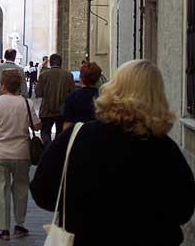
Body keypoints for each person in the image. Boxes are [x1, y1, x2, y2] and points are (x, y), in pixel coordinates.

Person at [30, 60, 195, 246]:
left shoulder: (76, 137)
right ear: (157, 97)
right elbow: (184, 209)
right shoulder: (165, 149)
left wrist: (78, 206)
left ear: (113, 89)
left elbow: (42, 191)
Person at [0, 69, 42, 242]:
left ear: (2, 84)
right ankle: (20, 225)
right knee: (21, 188)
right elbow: (36, 126)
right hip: (22, 153)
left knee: (0, 190)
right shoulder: (26, 103)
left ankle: (4, 229)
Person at [35, 53, 74, 146]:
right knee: (60, 133)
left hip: (46, 110)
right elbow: (72, 93)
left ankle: (48, 148)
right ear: (61, 63)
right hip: (62, 110)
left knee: (45, 132)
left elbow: (38, 92)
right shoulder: (68, 75)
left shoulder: (44, 75)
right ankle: (57, 150)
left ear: (50, 63)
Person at [62, 61, 102, 130]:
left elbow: (67, 123)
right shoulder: (102, 96)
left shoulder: (72, 96)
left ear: (81, 78)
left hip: (78, 134)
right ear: (98, 78)